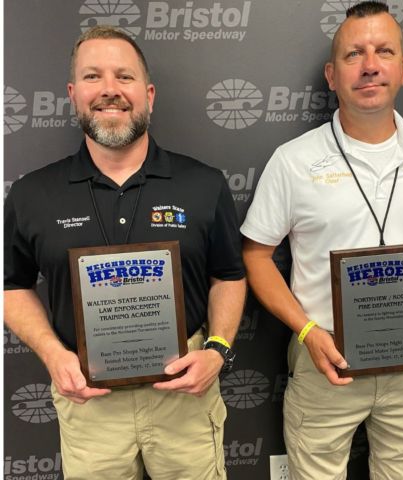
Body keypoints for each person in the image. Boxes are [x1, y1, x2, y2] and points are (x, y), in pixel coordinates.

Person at [241, 2, 403, 479]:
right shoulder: (292, 161)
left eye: (384, 51)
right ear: (332, 75)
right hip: (325, 362)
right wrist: (306, 331)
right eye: (354, 54)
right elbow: (256, 254)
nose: (370, 65)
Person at [4, 25, 246, 480]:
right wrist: (54, 355)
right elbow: (11, 287)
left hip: (185, 396)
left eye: (125, 77)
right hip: (89, 404)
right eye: (93, 77)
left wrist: (216, 349)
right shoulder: (32, 194)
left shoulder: (203, 183)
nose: (110, 90)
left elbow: (229, 275)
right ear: (73, 94)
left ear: (149, 94)